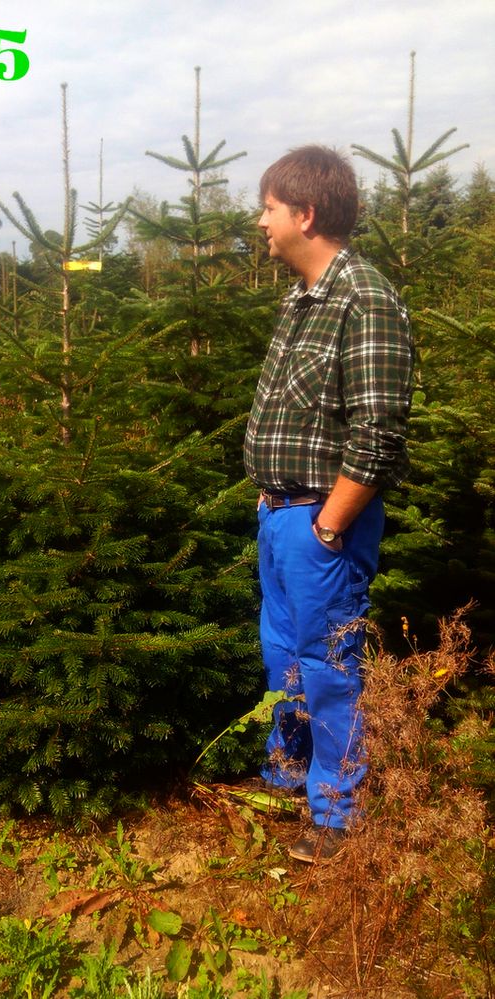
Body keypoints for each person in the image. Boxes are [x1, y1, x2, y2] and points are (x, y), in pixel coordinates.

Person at [242, 147, 414, 862]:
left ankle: (337, 817)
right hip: (282, 517)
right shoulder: (301, 299)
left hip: (322, 527)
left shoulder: (365, 299)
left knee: (327, 666)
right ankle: (286, 773)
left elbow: (377, 434)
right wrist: (270, 495)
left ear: (304, 215)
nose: (262, 221)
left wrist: (328, 524)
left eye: (270, 208)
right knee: (282, 653)